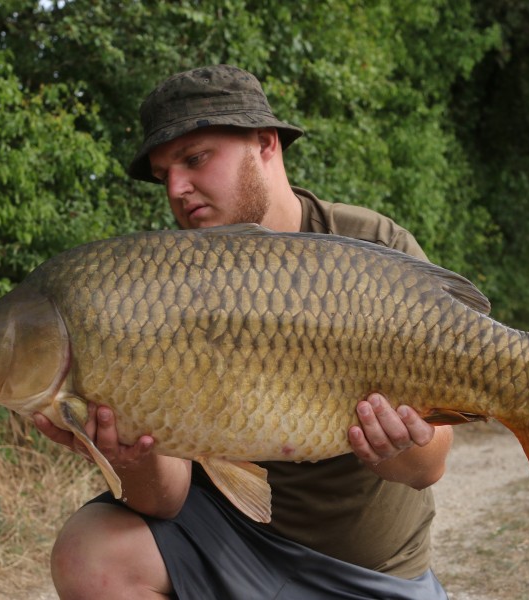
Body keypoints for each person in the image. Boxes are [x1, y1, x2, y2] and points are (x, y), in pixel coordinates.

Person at [34, 64, 453, 599]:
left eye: (195, 159)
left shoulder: (369, 248)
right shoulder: (162, 280)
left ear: (266, 144)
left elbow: (429, 466)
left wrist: (397, 447)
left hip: (367, 572)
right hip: (229, 544)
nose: (178, 189)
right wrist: (126, 456)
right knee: (89, 554)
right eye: (165, 175)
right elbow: (165, 500)